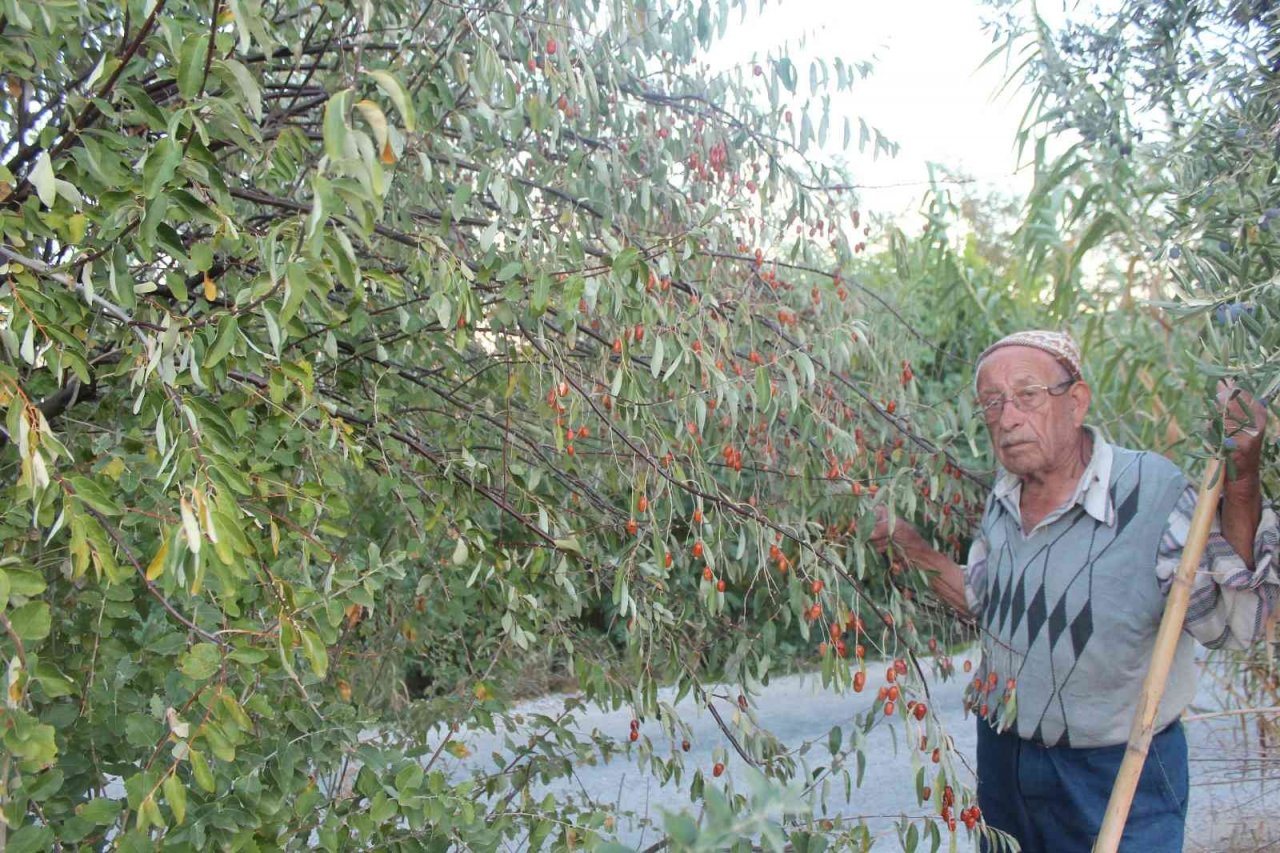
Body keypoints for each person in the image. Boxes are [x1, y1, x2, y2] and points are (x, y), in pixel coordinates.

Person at [871, 330, 1278, 853]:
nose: (1007, 417)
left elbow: (1235, 617)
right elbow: (985, 605)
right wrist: (910, 547)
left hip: (1114, 768)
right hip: (1005, 761)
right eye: (992, 403)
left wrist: (1242, 472)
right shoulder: (1004, 496)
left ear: (1076, 401)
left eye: (1027, 395)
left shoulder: (1149, 492)